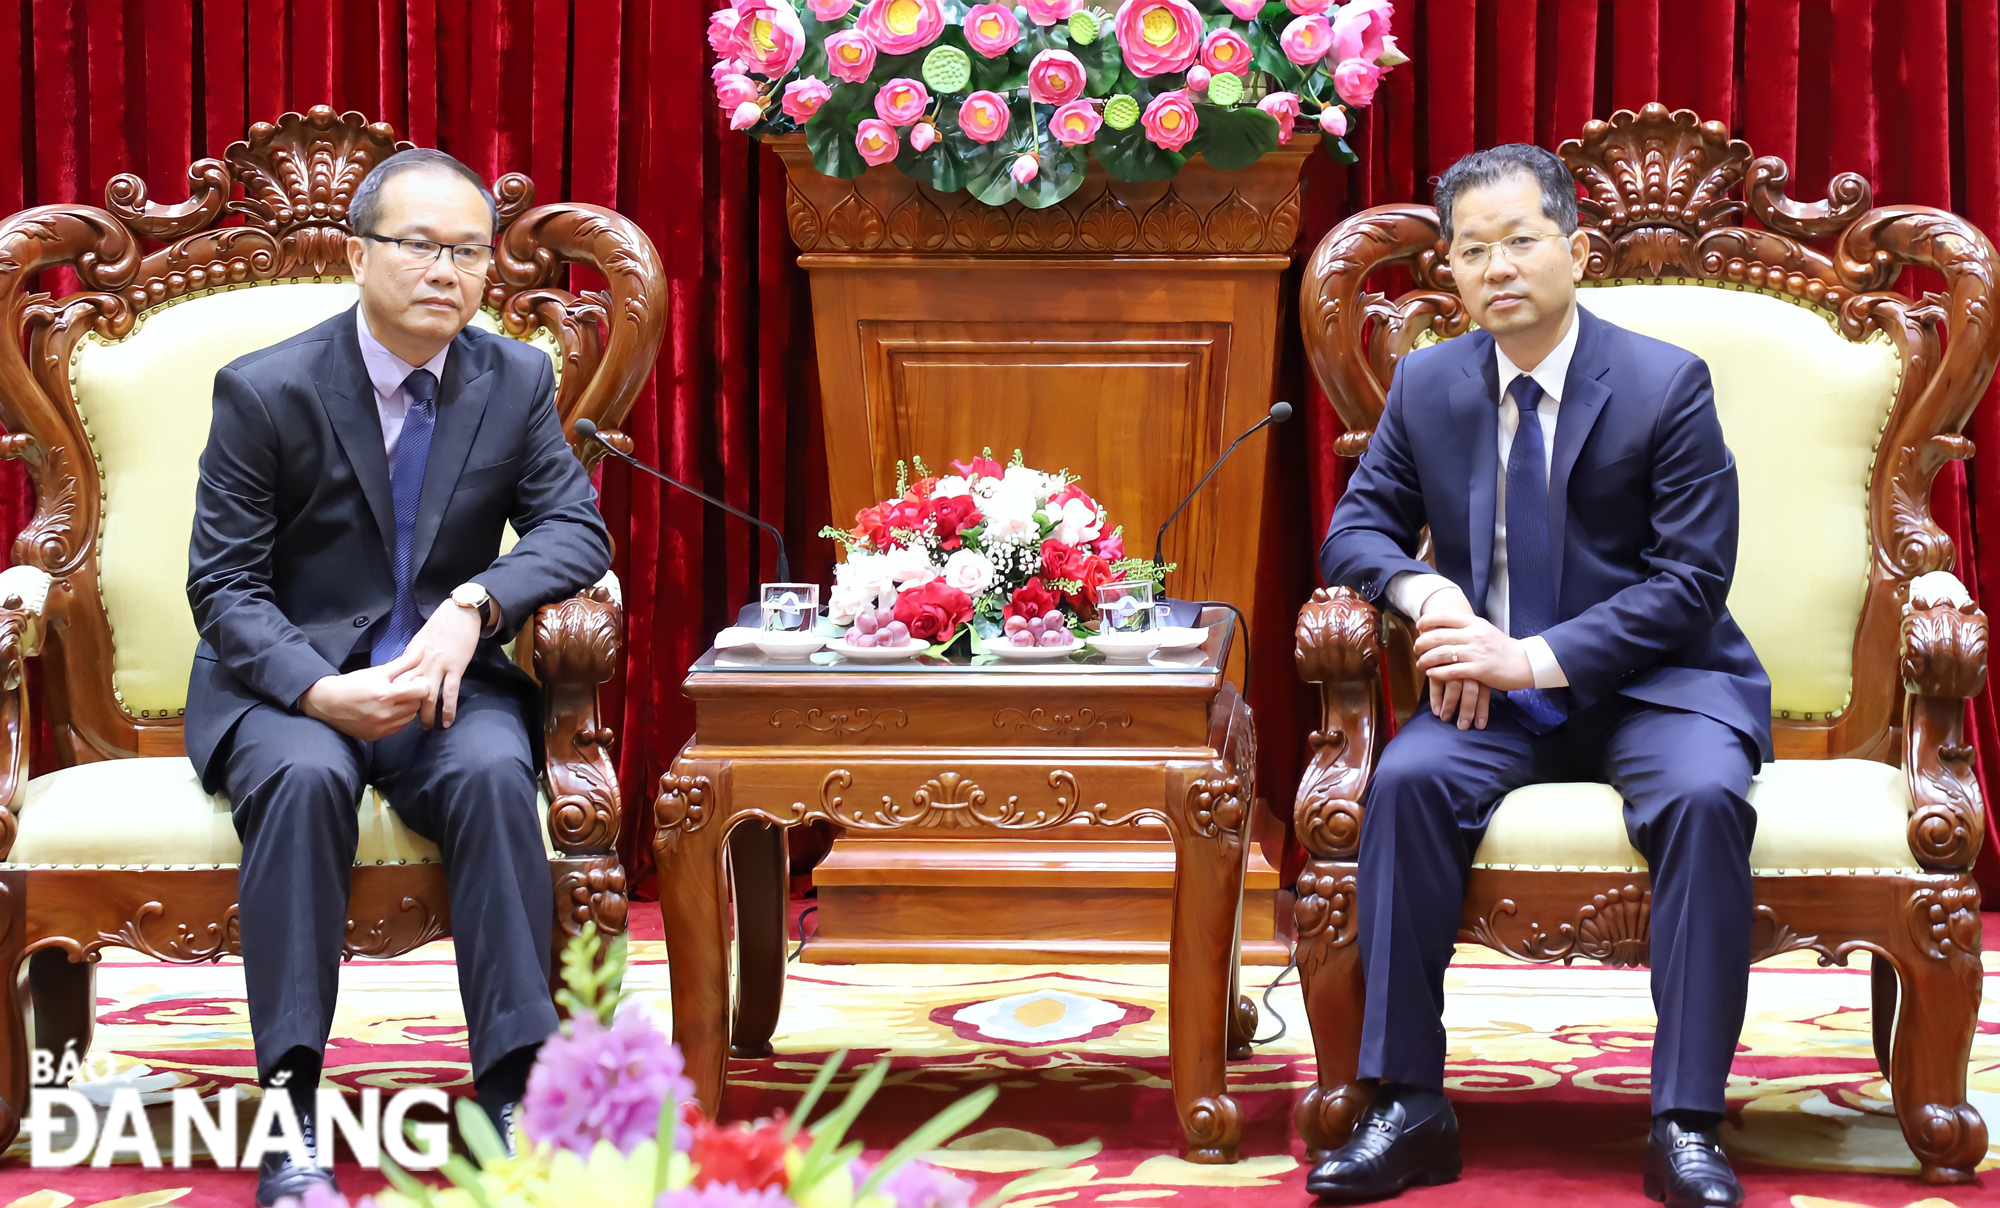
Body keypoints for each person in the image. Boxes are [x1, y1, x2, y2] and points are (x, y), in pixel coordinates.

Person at [1307, 144, 1771, 1208]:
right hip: (1489, 694)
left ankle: (1684, 1120)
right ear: (1454, 273)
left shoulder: (1663, 381)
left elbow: (1690, 580)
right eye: (1472, 251)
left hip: (1659, 682)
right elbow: (1357, 527)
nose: (1496, 268)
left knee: (1702, 797)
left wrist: (1529, 655)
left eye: (1519, 241)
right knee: (1407, 782)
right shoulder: (1429, 381)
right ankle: (1406, 1103)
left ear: (1574, 247)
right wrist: (1427, 598)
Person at [184, 148, 611, 1205]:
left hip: (441, 684)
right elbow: (225, 586)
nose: (446, 270)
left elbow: (573, 525)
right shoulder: (267, 388)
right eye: (419, 245)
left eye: (469, 251)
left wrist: (476, 605)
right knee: (304, 778)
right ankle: (290, 1112)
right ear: (358, 252)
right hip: (291, 683)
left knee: (488, 773)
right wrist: (318, 692)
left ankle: (512, 1092)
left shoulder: (511, 377)